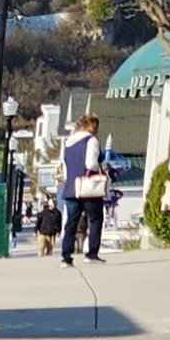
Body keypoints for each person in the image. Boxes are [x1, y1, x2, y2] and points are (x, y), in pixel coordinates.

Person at [61, 113, 112, 263]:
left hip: (71, 187)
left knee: (71, 222)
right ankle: (91, 254)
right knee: (95, 218)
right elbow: (91, 163)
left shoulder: (68, 142)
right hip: (88, 187)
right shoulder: (92, 140)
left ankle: (66, 257)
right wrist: (100, 169)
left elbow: (65, 165)